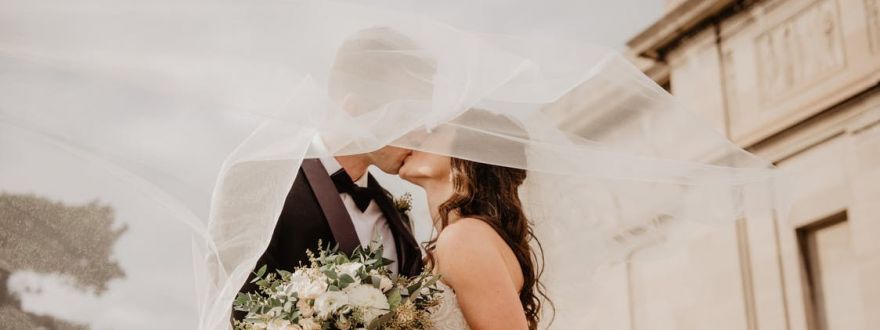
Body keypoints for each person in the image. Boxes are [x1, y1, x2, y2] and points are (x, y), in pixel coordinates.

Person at [235, 26, 435, 320]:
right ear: (354, 110)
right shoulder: (265, 188)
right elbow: (238, 310)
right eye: (406, 117)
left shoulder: (395, 215)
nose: (420, 135)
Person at [399, 110, 549, 330]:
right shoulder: (464, 236)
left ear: (467, 154)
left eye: (434, 131)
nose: (417, 137)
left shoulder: (463, 238)